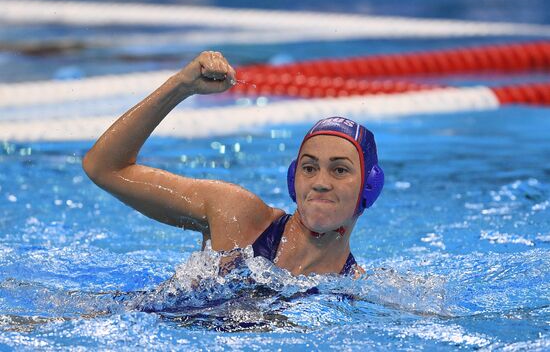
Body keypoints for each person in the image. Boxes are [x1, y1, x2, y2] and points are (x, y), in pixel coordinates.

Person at [83, 51, 384, 278]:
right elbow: (105, 168)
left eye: (339, 169)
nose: (320, 181)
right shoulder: (238, 217)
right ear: (294, 177)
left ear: (369, 187)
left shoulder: (355, 290)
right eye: (309, 167)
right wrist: (180, 87)